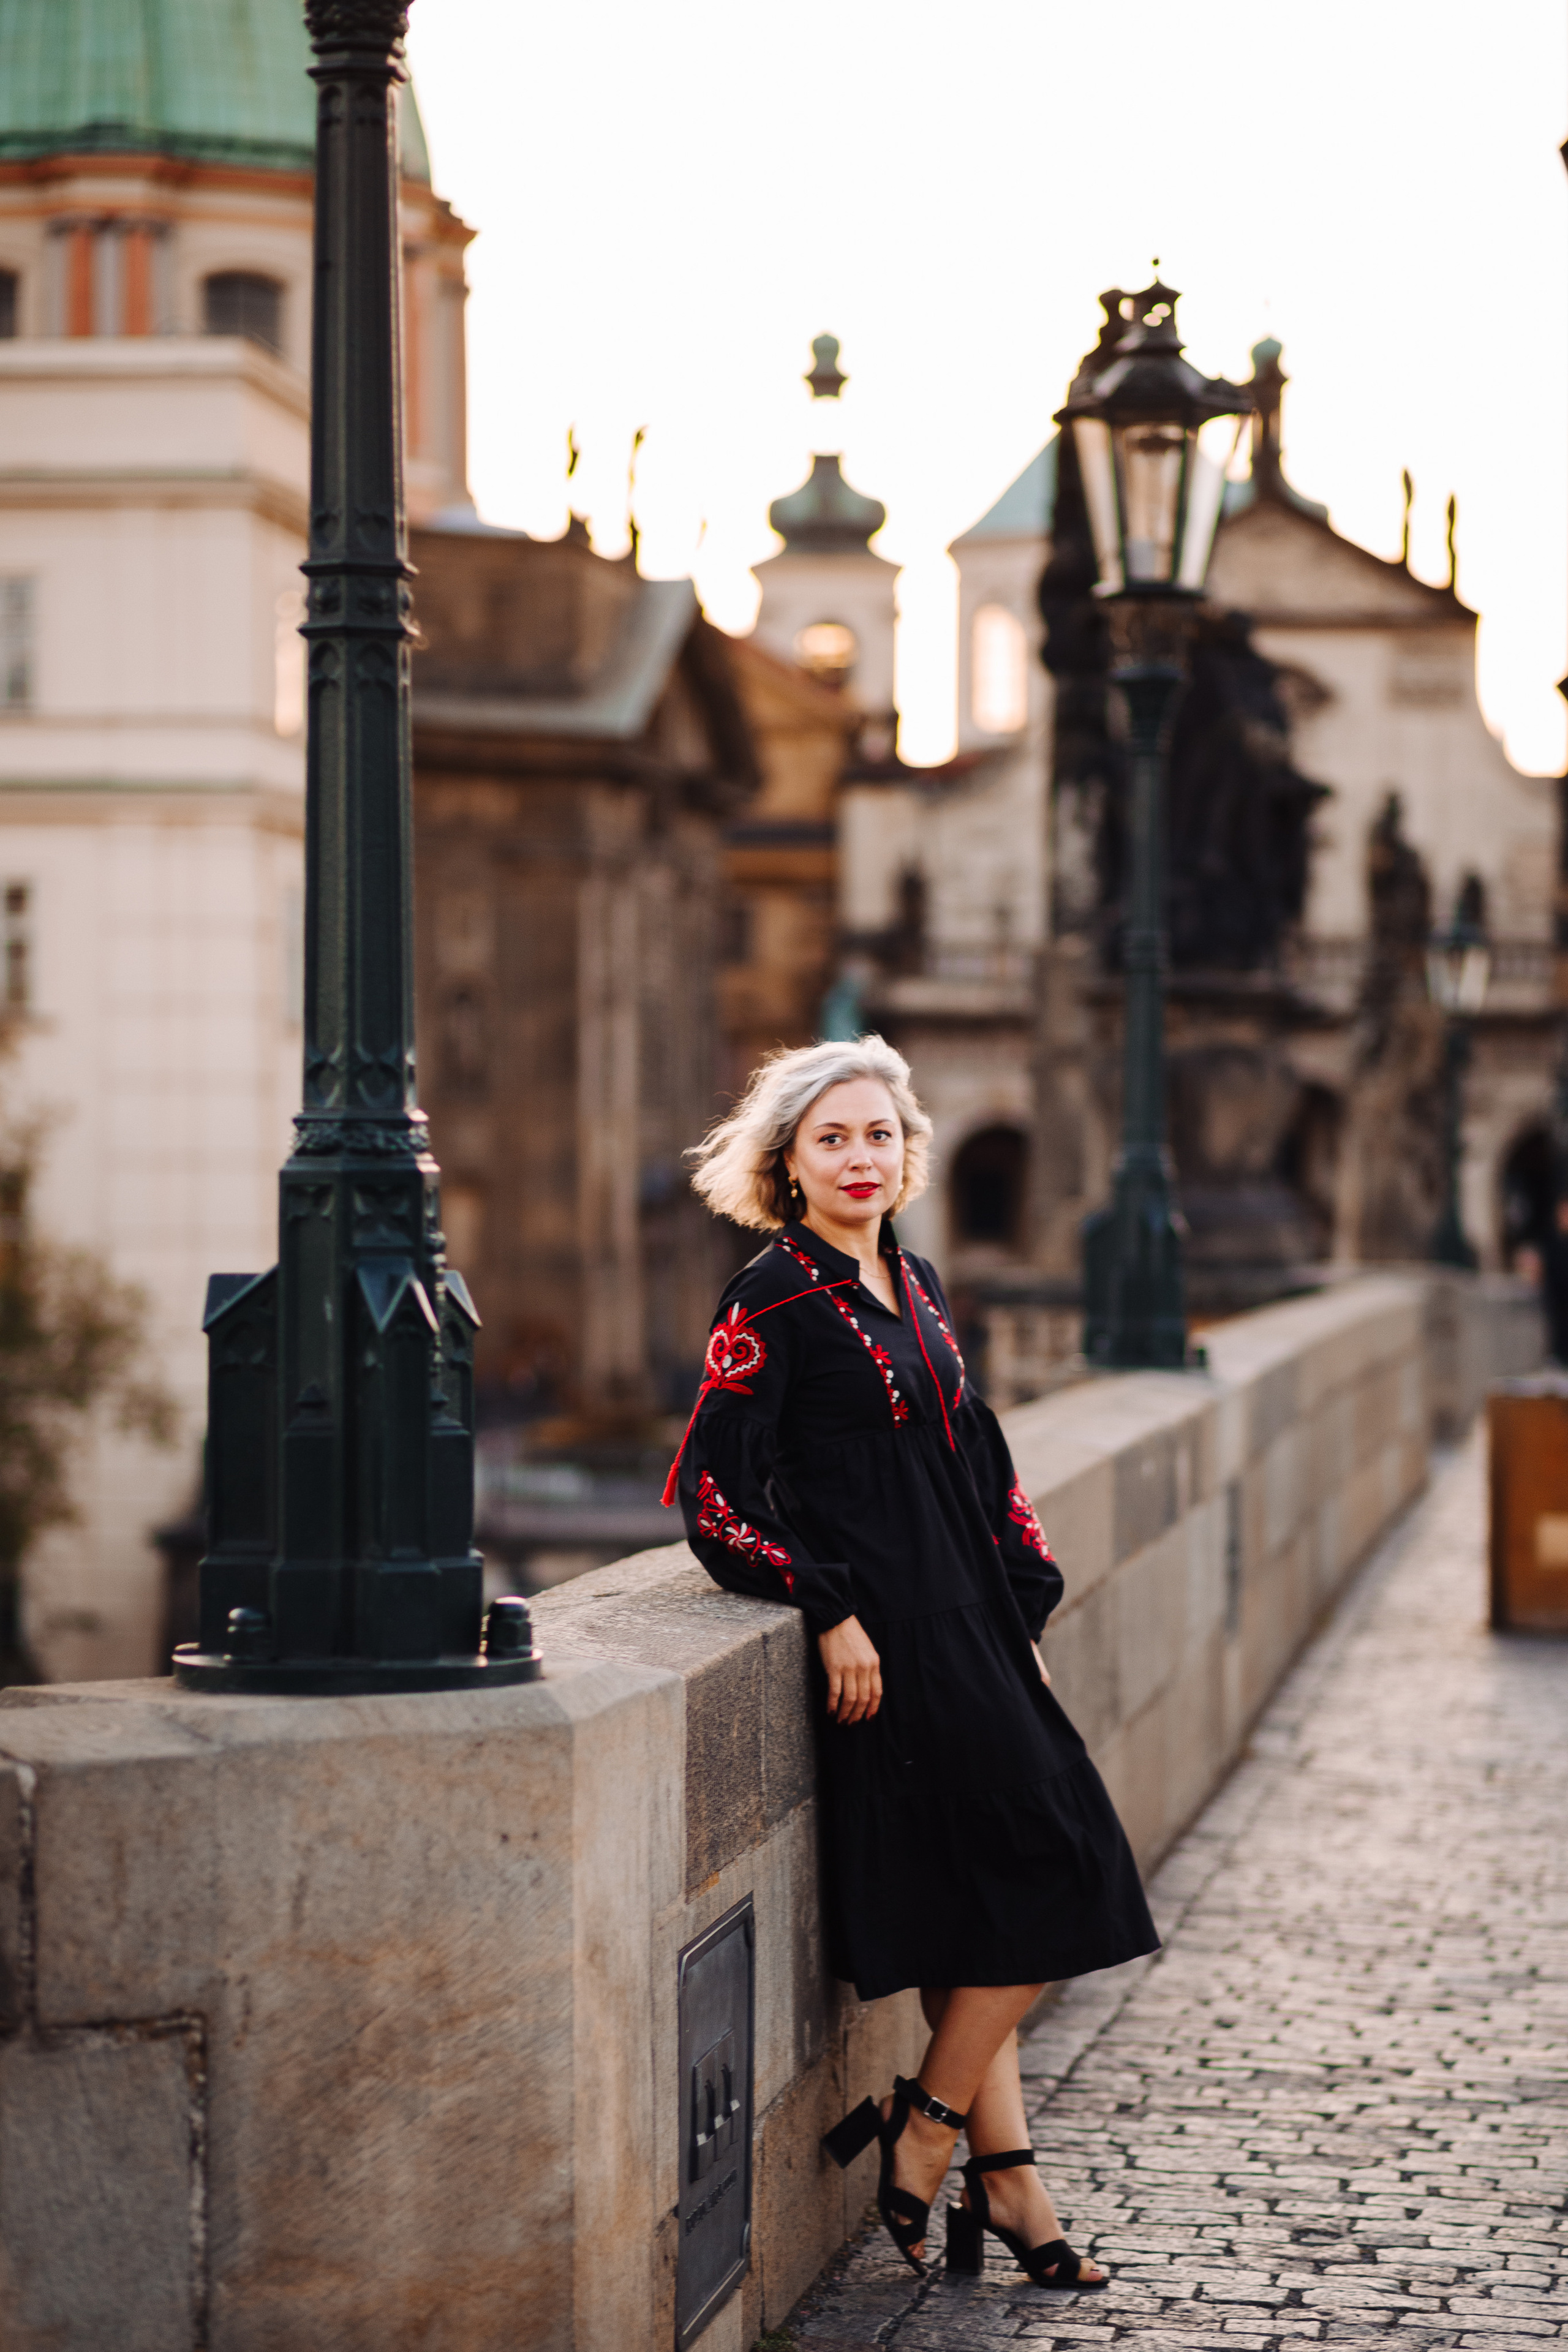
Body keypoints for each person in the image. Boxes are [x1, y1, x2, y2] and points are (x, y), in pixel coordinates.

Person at [669, 1036, 1158, 2289]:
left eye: (878, 1135)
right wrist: (821, 1607)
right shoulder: (767, 1299)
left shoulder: (919, 1282)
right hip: (885, 1647)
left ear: (907, 1152)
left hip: (971, 1626)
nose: (858, 1157)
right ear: (786, 1163)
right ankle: (932, 2140)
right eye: (831, 1138)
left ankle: (1002, 2178)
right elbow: (714, 1490)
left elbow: (980, 1467)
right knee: (1052, 1871)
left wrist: (1021, 1616)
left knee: (993, 1900)